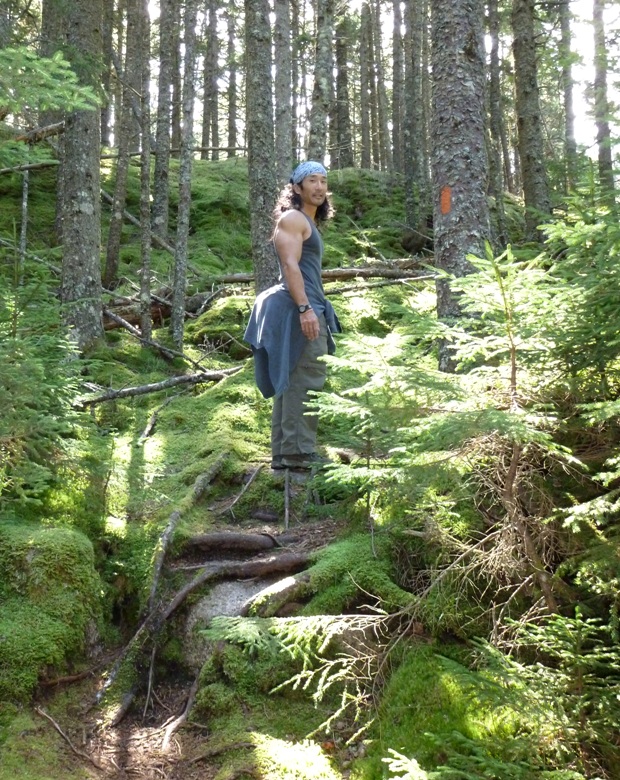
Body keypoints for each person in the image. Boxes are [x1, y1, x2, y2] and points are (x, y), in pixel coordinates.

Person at [244, 161, 341, 470]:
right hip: (299, 307)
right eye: (312, 180)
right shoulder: (294, 218)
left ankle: (287, 455)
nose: (319, 187)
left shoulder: (305, 222)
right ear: (297, 187)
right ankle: (299, 454)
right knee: (307, 377)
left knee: (293, 378)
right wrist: (305, 309)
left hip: (306, 305)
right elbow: (290, 265)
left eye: (323, 181)